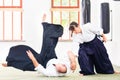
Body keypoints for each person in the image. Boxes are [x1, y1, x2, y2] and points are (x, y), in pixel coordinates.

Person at [2, 14, 76, 77]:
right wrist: (73, 62)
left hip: (43, 62)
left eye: (57, 68)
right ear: (63, 65)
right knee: (48, 41)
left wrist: (33, 58)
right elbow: (69, 52)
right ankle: (45, 24)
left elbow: (38, 67)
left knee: (28, 62)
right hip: (52, 57)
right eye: (59, 65)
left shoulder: (51, 73)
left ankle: (10, 63)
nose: (56, 66)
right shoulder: (68, 66)